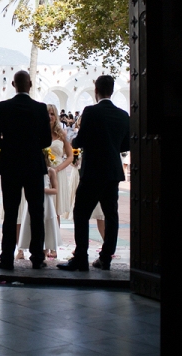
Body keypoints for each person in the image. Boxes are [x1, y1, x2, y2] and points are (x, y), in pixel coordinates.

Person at [58, 75, 130, 272]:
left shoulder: (91, 111)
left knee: (81, 213)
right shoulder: (123, 115)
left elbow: (80, 140)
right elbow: (126, 144)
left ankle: (81, 256)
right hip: (113, 171)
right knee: (111, 215)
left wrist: (74, 142)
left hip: (92, 171)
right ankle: (105, 258)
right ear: (112, 90)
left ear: (95, 90)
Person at [0, 71, 53, 270]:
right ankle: (37, 258)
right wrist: (31, 147)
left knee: (10, 212)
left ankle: (7, 257)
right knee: (36, 211)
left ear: (14, 84)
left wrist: (8, 147)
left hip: (10, 165)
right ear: (30, 84)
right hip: (33, 165)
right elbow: (47, 140)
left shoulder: (3, 107)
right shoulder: (40, 108)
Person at [16, 148, 60, 259]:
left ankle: (45, 250)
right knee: (31, 221)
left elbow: (55, 190)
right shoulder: (31, 169)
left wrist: (42, 189)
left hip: (47, 201)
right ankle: (31, 249)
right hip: (33, 198)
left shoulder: (51, 171)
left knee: (45, 223)